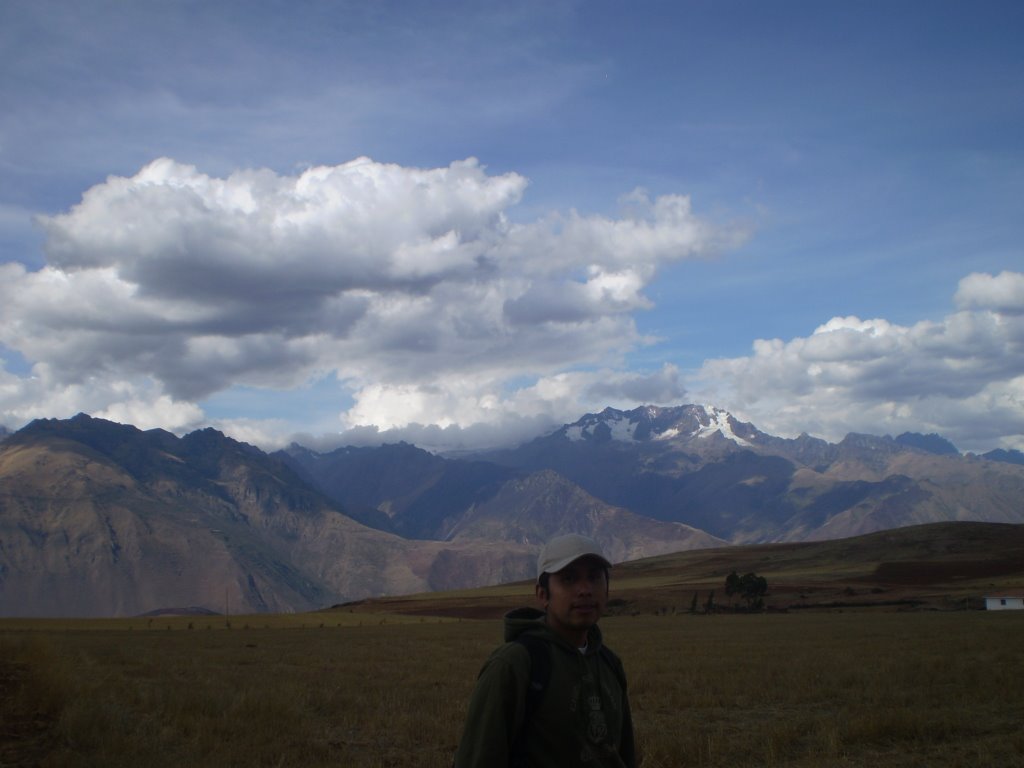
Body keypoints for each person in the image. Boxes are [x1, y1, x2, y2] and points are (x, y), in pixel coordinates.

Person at [454, 533, 636, 768]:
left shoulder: (610, 664)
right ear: (542, 595)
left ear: (607, 589)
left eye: (594, 577)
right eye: (568, 579)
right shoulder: (514, 665)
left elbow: (624, 754)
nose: (585, 590)